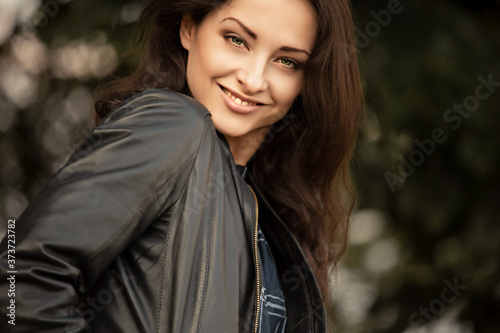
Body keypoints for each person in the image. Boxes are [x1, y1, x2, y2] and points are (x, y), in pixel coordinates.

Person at [0, 0, 362, 331]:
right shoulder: (174, 125)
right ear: (189, 29)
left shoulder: (261, 210)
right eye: (236, 39)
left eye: (287, 61)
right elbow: (17, 272)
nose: (253, 80)